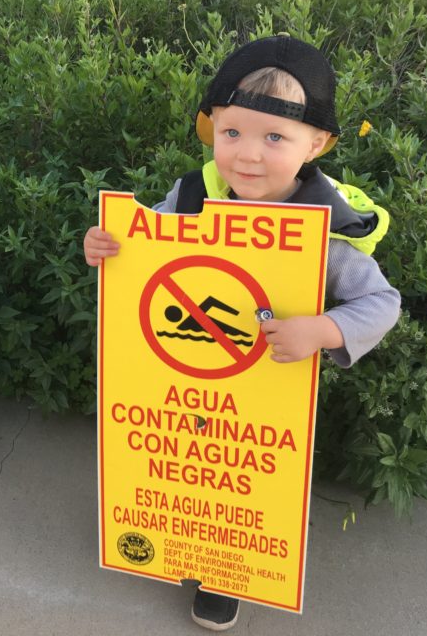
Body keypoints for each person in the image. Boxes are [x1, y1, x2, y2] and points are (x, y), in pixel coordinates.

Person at [83, 35, 401, 630]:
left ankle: (229, 572)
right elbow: (142, 246)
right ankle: (176, 540)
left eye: (274, 137)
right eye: (232, 132)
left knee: (244, 476)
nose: (248, 155)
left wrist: (326, 328)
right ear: (213, 130)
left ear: (316, 143)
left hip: (266, 392)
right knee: (185, 462)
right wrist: (105, 245)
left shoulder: (325, 230)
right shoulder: (191, 195)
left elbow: (382, 303)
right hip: (182, 378)